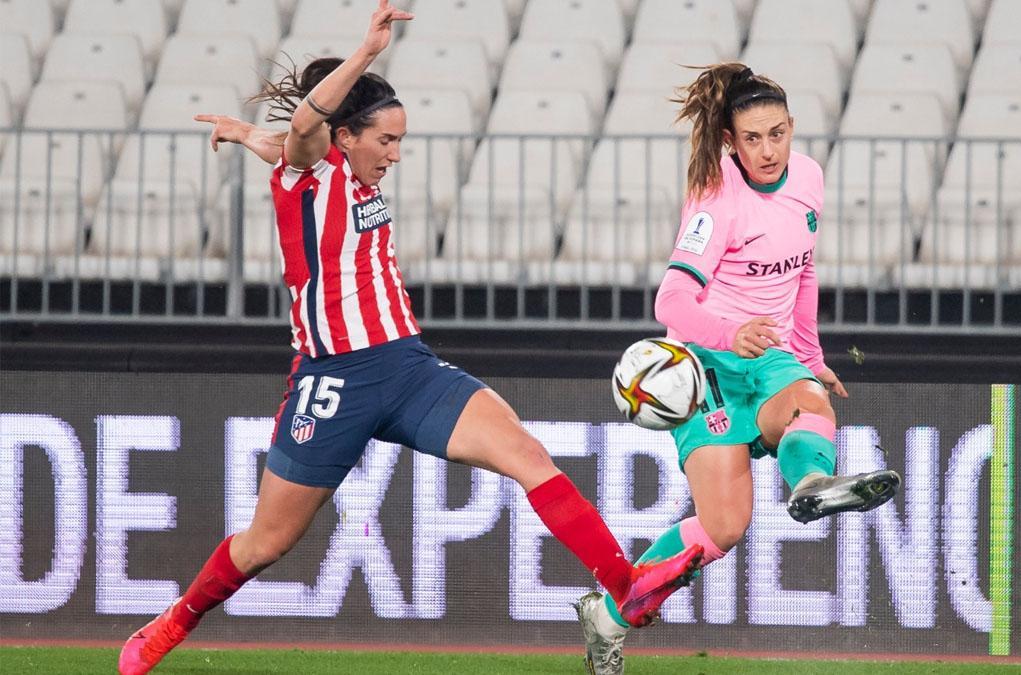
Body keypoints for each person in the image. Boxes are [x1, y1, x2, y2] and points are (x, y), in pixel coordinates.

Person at [116, 4, 701, 673]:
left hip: (408, 368)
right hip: (333, 381)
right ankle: (175, 620)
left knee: (528, 454)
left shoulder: (335, 168)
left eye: (399, 140)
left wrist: (245, 131)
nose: (395, 153)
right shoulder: (305, 172)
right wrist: (365, 53)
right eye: (385, 140)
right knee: (265, 543)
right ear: (345, 136)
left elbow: (289, 134)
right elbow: (302, 130)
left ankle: (625, 589)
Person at [572, 63, 902, 674]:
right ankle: (610, 619)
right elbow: (669, 302)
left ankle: (809, 487)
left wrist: (811, 355)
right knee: (722, 529)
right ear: (731, 139)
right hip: (708, 369)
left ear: (793, 129)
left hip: (770, 356)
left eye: (778, 133)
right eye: (753, 138)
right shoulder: (715, 198)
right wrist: (731, 332)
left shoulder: (808, 179)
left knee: (811, 402)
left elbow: (803, 270)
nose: (769, 149)